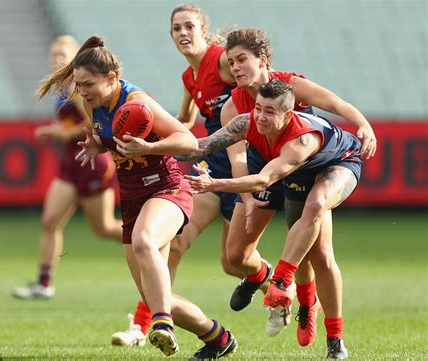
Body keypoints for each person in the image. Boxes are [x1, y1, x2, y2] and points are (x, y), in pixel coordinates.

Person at [37, 35, 238, 360]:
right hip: (131, 196)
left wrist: (150, 148)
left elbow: (188, 141)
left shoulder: (137, 102)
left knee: (146, 242)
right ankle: (217, 336)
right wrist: (96, 145)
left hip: (167, 187)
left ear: (111, 78)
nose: (81, 92)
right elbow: (105, 134)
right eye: (78, 85)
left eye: (87, 84)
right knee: (155, 294)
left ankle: (162, 327)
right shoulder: (91, 101)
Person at [111, 4, 288, 346]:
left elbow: (262, 79)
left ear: (204, 31)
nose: (183, 33)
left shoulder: (221, 60)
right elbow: (182, 121)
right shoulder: (189, 78)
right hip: (211, 175)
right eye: (176, 28)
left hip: (243, 173)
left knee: (234, 263)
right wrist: (150, 137)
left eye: (189, 26)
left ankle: (279, 289)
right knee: (173, 243)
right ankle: (144, 325)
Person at [218, 28, 376, 344]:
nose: (235, 68)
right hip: (265, 171)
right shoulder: (232, 107)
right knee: (235, 255)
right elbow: (238, 160)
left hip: (308, 171)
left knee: (317, 253)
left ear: (262, 60)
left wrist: (364, 124)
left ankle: (315, 314)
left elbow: (335, 103)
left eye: (241, 60)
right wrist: (247, 198)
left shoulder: (291, 85)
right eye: (230, 62)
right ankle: (263, 278)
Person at [185, 79, 362, 359]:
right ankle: (299, 298)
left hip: (337, 163)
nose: (260, 116)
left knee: (320, 238)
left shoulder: (302, 139)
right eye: (258, 108)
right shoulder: (245, 121)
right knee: (248, 253)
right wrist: (149, 148)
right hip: (294, 173)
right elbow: (203, 145)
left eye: (269, 111)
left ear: (287, 114)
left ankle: (333, 339)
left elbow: (264, 180)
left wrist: (213, 184)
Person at [12, 35, 122, 300]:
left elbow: (95, 124)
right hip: (72, 164)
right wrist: (59, 132)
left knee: (104, 227)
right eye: (54, 54)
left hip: (93, 162)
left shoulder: (77, 87)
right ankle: (44, 283)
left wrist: (61, 131)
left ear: (76, 57)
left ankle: (154, 240)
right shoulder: (64, 86)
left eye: (64, 54)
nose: (58, 59)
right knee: (50, 221)